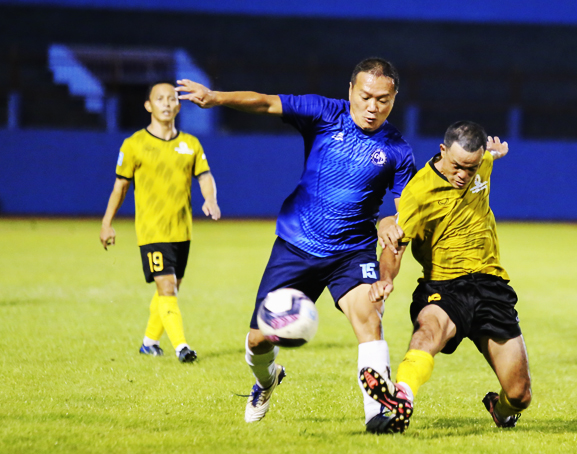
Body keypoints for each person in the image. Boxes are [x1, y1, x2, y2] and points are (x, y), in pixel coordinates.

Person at [176, 58, 417, 432]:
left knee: (370, 319)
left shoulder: (399, 151)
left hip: (351, 253)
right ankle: (266, 380)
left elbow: (400, 226)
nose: (373, 107)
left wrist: (387, 269)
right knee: (258, 340)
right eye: (366, 96)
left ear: (394, 98)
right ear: (350, 90)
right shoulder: (324, 113)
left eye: (383, 100)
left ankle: (377, 416)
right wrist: (217, 97)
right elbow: (266, 102)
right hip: (296, 246)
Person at [361, 121, 532, 432]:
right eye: (457, 166)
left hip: (491, 285)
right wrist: (387, 277)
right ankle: (401, 400)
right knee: (428, 331)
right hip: (443, 286)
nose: (463, 175)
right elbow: (395, 242)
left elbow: (486, 155)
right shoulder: (419, 190)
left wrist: (494, 152)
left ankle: (502, 409)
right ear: (442, 151)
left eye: (472, 167)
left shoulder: (483, 162)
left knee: (520, 395)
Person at [100, 81, 221, 363]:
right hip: (152, 231)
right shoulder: (133, 145)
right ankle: (182, 347)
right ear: (148, 105)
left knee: (170, 287)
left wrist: (210, 199)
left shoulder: (190, 144)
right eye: (160, 98)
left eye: (171, 98)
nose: (166, 103)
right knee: (166, 287)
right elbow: (120, 187)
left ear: (178, 105)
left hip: (182, 231)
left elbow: (204, 176)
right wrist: (107, 223)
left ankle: (149, 342)